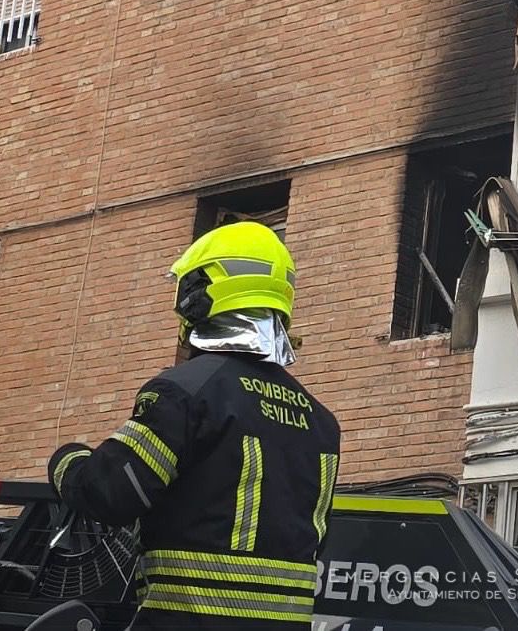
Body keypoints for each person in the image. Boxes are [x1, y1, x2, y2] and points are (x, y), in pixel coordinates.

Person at [48, 221, 340, 629]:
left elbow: (112, 493)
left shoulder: (185, 392)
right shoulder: (320, 421)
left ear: (198, 296)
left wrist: (66, 462)